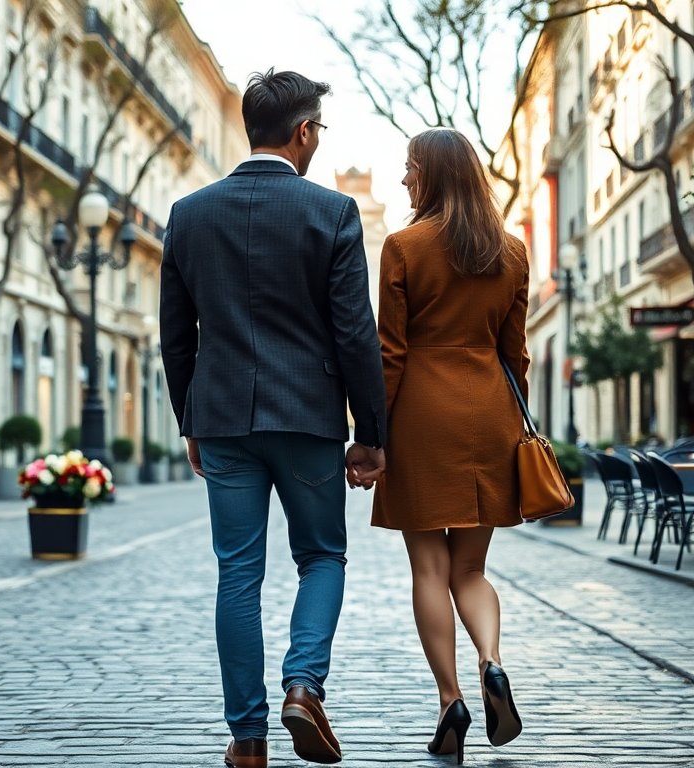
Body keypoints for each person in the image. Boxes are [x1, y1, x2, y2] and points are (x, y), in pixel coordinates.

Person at [160, 69, 387, 768]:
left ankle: (248, 738)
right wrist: (370, 434)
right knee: (321, 557)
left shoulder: (189, 214)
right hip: (308, 417)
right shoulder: (333, 212)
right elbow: (355, 334)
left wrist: (190, 420)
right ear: (304, 132)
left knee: (237, 572)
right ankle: (303, 685)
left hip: (224, 417)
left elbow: (176, 335)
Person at [370, 128, 529, 763]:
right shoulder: (511, 252)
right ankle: (492, 660)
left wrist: (372, 435)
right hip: (490, 413)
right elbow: (516, 355)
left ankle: (451, 700)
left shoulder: (403, 246)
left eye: (410, 168)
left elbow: (389, 352)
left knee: (430, 570)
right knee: (471, 570)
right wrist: (515, 426)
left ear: (432, 174)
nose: (405, 178)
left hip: (421, 417)